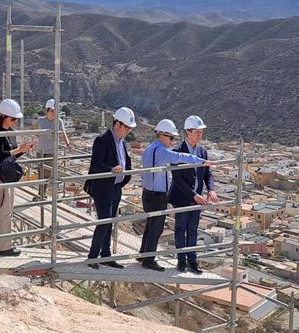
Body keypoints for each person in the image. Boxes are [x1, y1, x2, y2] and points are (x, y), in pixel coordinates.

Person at [139, 119, 212, 271]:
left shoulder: (148, 149)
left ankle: (143, 254)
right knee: (156, 228)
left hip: (147, 193)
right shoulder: (162, 151)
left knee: (150, 226)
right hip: (157, 195)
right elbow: (181, 158)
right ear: (161, 136)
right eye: (170, 138)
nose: (172, 141)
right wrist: (199, 161)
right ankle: (149, 260)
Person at [84, 107, 136, 269]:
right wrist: (111, 170)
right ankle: (92, 257)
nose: (128, 131)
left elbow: (125, 161)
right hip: (103, 188)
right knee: (104, 222)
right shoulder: (102, 140)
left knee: (110, 222)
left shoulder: (122, 142)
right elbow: (96, 164)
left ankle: (105, 256)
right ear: (118, 124)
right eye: (127, 127)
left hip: (115, 188)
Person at [168, 115, 218, 275]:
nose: (200, 135)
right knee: (180, 228)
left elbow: (207, 173)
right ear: (187, 132)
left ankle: (192, 261)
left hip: (197, 198)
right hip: (183, 198)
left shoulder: (202, 151)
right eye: (197, 132)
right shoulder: (176, 152)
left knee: (193, 230)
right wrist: (193, 195)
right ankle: (181, 261)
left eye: (201, 132)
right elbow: (177, 179)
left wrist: (211, 189)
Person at [0, 99, 35, 256]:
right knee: (4, 212)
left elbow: (11, 156)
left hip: (6, 175)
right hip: (0, 176)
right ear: (4, 117)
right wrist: (19, 150)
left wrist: (23, 150)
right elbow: (0, 155)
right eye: (13, 119)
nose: (15, 122)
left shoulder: (8, 133)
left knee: (4, 210)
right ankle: (4, 247)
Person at [29, 98, 71, 199]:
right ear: (47, 110)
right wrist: (38, 136)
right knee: (40, 173)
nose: (54, 113)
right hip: (40, 150)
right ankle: (41, 194)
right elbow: (32, 128)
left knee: (47, 174)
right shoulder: (41, 120)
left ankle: (42, 195)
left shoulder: (59, 121)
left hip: (51, 151)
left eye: (55, 111)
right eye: (52, 111)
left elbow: (63, 133)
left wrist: (68, 144)